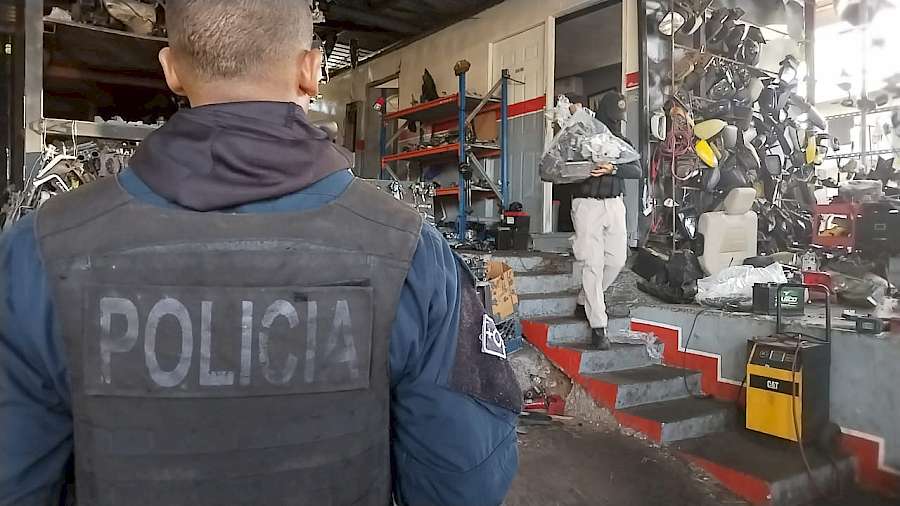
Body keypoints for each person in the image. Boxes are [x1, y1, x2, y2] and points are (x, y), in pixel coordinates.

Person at [0, 2, 520, 505]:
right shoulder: (411, 252)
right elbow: (461, 483)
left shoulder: (36, 252)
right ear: (312, 71)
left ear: (171, 70)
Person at [566, 92, 642, 350]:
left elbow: (637, 170)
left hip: (614, 204)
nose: (617, 121)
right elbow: (561, 168)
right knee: (592, 263)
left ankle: (582, 300)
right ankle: (599, 326)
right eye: (615, 115)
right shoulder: (584, 135)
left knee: (616, 260)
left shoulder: (620, 141)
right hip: (587, 204)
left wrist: (613, 167)